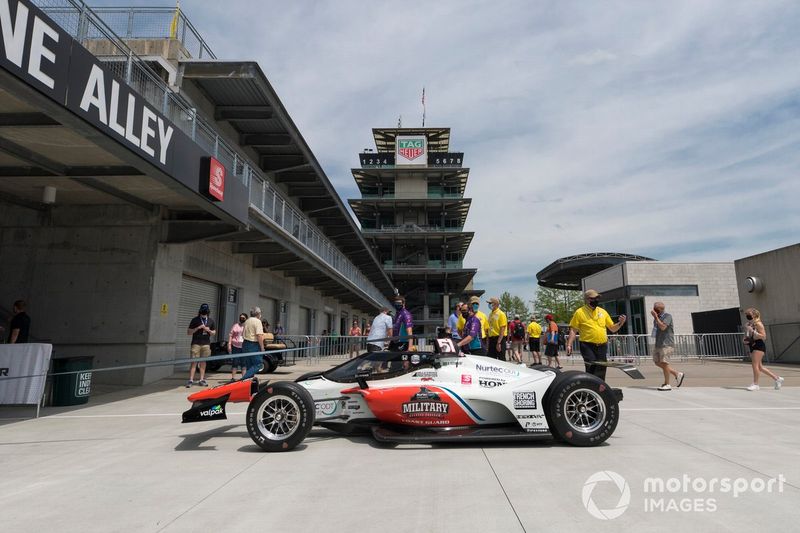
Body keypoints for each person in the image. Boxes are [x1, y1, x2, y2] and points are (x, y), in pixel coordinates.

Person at [566, 290, 626, 380]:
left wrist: (620, 323)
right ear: (587, 299)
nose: (596, 300)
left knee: (601, 368)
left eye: (597, 298)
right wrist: (569, 345)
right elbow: (573, 330)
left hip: (602, 345)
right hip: (587, 345)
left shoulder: (603, 312)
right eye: (593, 298)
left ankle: (600, 389)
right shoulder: (579, 312)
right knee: (591, 367)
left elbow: (612, 328)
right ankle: (590, 388)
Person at [743, 308, 783, 391]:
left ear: (754, 315)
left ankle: (756, 384)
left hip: (759, 345)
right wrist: (745, 339)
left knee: (754, 365)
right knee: (760, 367)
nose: (747, 316)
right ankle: (777, 378)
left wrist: (753, 332)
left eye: (749, 314)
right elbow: (748, 335)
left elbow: (764, 336)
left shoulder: (759, 324)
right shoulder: (749, 324)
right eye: (746, 315)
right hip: (752, 344)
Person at [648, 302, 684, 390]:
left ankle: (667, 384)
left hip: (666, 344)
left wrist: (656, 317)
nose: (654, 311)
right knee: (657, 362)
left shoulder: (668, 316)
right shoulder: (657, 318)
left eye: (656, 309)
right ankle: (677, 374)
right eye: (654, 309)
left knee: (664, 363)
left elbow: (663, 327)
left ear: (661, 309)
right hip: (658, 343)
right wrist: (656, 318)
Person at [186, 303, 216, 387]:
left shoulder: (211, 321)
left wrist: (209, 330)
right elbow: (188, 332)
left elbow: (214, 332)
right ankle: (190, 380)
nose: (204, 311)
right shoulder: (195, 320)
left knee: (203, 362)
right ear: (200, 310)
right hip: (196, 343)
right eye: (203, 309)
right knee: (194, 362)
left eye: (206, 310)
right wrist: (198, 328)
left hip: (206, 344)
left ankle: (202, 379)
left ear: (208, 311)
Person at [241, 307, 265, 380]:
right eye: (260, 313)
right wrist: (262, 347)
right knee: (258, 364)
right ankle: (243, 379)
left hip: (245, 344)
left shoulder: (247, 321)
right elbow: (259, 335)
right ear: (258, 313)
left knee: (249, 366)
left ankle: (248, 384)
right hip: (253, 345)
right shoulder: (257, 321)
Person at [227, 313, 247, 381]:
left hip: (244, 347)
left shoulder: (247, 327)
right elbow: (230, 335)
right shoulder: (235, 325)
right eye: (241, 317)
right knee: (235, 362)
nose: (242, 319)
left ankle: (244, 378)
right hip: (235, 346)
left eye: (243, 318)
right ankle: (233, 378)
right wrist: (229, 344)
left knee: (243, 363)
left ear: (246, 319)